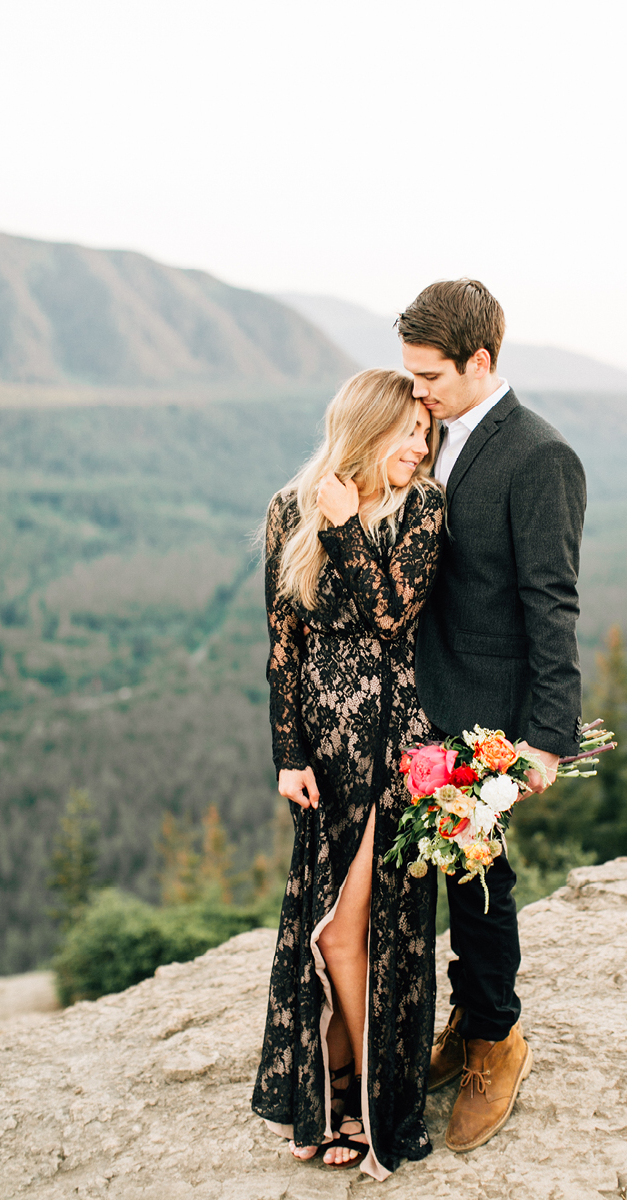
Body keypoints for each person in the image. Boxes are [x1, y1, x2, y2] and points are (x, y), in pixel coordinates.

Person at [396, 279, 586, 1153]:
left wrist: (546, 738)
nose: (416, 391)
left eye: (430, 375)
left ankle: (496, 1041)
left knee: (477, 885)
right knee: (431, 877)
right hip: (419, 701)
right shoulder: (427, 433)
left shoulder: (539, 455)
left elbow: (552, 604)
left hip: (491, 723)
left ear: (482, 362)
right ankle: (468, 1017)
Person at [251, 369, 445, 1179]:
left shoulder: (424, 510)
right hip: (325, 757)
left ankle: (370, 1104)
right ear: (365, 431)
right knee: (337, 929)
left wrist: (344, 530)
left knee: (348, 930)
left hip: (395, 748)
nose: (420, 448)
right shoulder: (288, 508)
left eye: (427, 435)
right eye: (406, 434)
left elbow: (392, 613)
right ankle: (330, 1098)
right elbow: (282, 644)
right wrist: (287, 751)